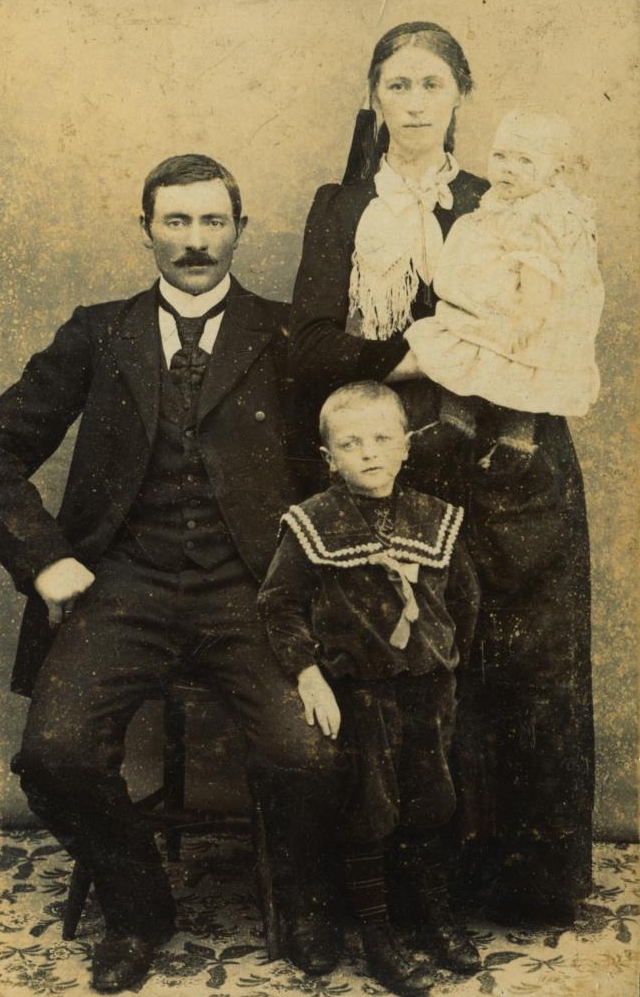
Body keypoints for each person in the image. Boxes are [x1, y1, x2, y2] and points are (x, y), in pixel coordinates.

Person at [0, 154, 343, 993]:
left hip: (250, 592)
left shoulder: (285, 335)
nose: (195, 241)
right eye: (175, 221)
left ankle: (301, 904)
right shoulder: (98, 332)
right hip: (123, 591)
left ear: (240, 230)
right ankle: (139, 910)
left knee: (307, 750)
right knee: (54, 754)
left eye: (213, 221)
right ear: (145, 229)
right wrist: (44, 559)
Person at [289, 21, 595, 926]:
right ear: (373, 97)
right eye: (397, 85)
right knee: (414, 662)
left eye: (432, 84)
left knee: (522, 662)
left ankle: (522, 883)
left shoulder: (504, 195)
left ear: (461, 95)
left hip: (509, 455)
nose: (415, 103)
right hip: (398, 460)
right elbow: (311, 349)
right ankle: (417, 890)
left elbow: (555, 310)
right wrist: (424, 358)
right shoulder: (342, 207)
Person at [260, 382, 482, 996]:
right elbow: (278, 604)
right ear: (329, 457)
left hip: (428, 693)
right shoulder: (313, 523)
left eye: (383, 439)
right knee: (370, 810)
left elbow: (464, 601)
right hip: (360, 696)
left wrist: (447, 663)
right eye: (351, 443)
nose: (369, 453)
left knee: (433, 801)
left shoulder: (435, 519)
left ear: (407, 446)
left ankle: (434, 918)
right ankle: (378, 936)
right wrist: (308, 672)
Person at [405, 108, 604, 466]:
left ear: (554, 173)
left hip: (522, 311)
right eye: (500, 156)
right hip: (490, 303)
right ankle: (456, 422)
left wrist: (528, 319)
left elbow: (539, 268)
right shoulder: (506, 199)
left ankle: (515, 441)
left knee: (521, 375)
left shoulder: (542, 212)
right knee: (464, 353)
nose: (509, 168)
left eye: (525, 160)